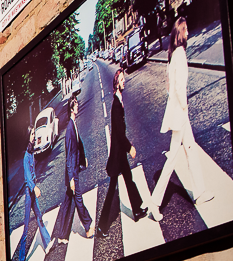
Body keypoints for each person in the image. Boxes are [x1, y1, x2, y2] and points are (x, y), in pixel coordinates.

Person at [148, 17, 212, 220]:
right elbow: (177, 87)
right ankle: (154, 203)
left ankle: (200, 193)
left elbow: (168, 87)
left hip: (177, 112)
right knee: (173, 158)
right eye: (185, 30)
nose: (188, 33)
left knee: (190, 149)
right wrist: (184, 106)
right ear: (180, 33)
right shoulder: (180, 54)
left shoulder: (172, 55)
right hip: (180, 113)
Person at [97, 68, 147, 237]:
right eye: (122, 80)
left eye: (124, 79)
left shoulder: (119, 100)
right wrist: (129, 147)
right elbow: (119, 132)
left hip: (120, 153)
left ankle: (137, 209)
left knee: (129, 179)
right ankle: (102, 226)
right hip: (118, 154)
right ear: (116, 84)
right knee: (112, 190)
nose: (124, 81)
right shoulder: (116, 105)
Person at [52, 97, 94, 243]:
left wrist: (83, 158)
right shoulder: (70, 128)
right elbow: (69, 154)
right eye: (75, 104)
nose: (78, 106)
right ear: (71, 109)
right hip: (72, 172)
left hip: (75, 168)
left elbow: (78, 145)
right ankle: (88, 226)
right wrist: (71, 178)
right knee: (78, 198)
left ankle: (62, 235)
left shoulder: (73, 124)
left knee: (67, 202)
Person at [15, 125, 52, 261]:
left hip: (32, 190)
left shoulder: (31, 152)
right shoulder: (26, 156)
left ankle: (47, 243)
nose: (34, 136)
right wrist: (34, 187)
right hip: (28, 192)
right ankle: (21, 260)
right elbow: (27, 177)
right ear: (27, 137)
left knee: (39, 216)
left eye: (34, 133)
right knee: (26, 227)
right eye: (32, 134)